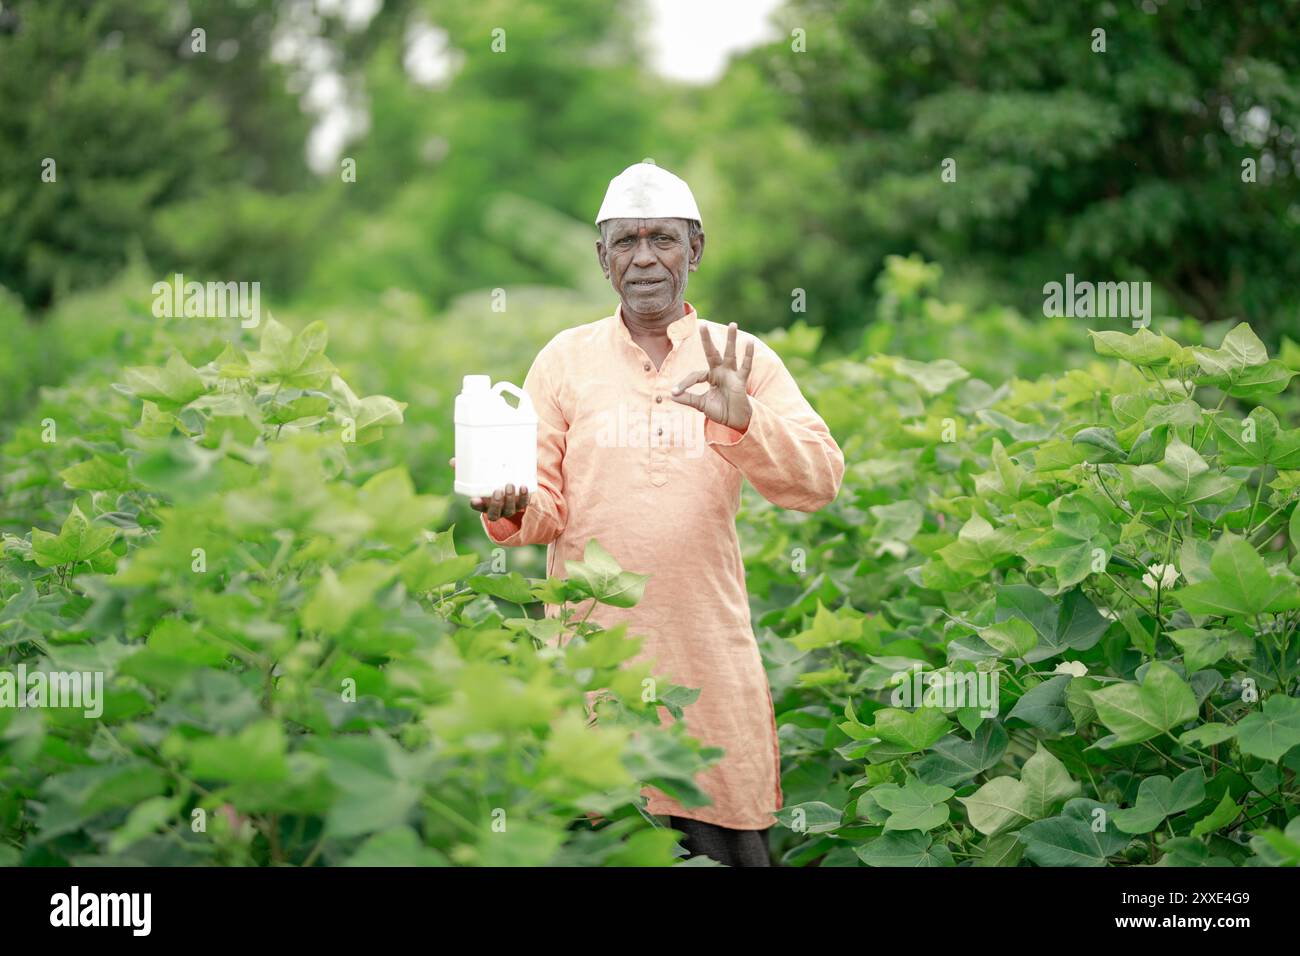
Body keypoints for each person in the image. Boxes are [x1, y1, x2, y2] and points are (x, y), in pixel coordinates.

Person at [451, 162, 845, 867]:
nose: (643, 259)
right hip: (594, 668)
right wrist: (507, 505)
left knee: (716, 833)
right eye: (624, 243)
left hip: (708, 665)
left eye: (661, 239)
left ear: (695, 250)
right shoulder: (564, 362)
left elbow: (816, 481)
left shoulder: (740, 357)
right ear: (602, 260)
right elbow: (543, 511)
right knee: (601, 838)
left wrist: (745, 419)